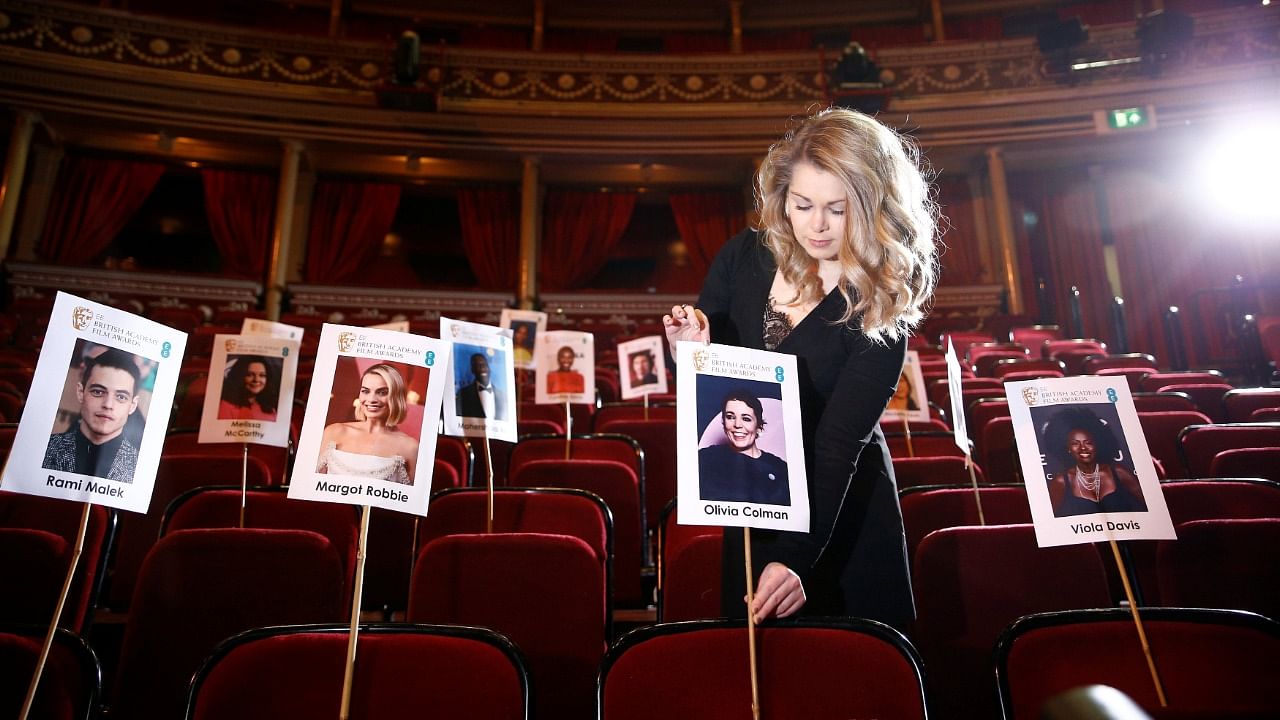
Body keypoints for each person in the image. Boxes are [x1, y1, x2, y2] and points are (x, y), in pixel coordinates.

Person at [664, 107, 938, 629]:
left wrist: (796, 557)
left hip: (839, 510)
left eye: (837, 209)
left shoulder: (881, 300)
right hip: (750, 491)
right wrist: (691, 354)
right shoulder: (742, 255)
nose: (816, 225)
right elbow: (714, 394)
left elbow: (837, 445)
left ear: (872, 206)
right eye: (802, 204)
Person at [43, 348, 143, 483]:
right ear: (80, 392)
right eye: (98, 392)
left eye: (120, 396)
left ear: (133, 405)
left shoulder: (141, 467)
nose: (108, 404)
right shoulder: (46, 449)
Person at [317, 363, 418, 485]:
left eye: (382, 392)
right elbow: (313, 488)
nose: (371, 399)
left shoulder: (410, 447)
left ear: (396, 397)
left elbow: (410, 501)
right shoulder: (334, 431)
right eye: (365, 391)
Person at [1045, 408, 1147, 517]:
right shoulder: (1061, 482)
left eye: (1088, 443)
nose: (1083, 448)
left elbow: (1152, 506)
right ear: (1068, 448)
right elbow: (1049, 522)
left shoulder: (1118, 472)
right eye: (1075, 443)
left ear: (1097, 444)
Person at [699, 389, 790, 505]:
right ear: (723, 422)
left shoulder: (779, 468)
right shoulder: (705, 458)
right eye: (730, 417)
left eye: (746, 419)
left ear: (759, 426)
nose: (737, 425)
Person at [217, 355, 280, 421]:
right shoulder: (226, 406)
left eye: (262, 375)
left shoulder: (270, 408)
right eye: (249, 375)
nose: (256, 380)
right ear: (240, 377)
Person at [456, 352, 506, 420]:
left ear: (489, 368)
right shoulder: (462, 394)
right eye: (478, 365)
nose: (482, 368)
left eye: (484, 365)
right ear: (472, 370)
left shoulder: (503, 396)